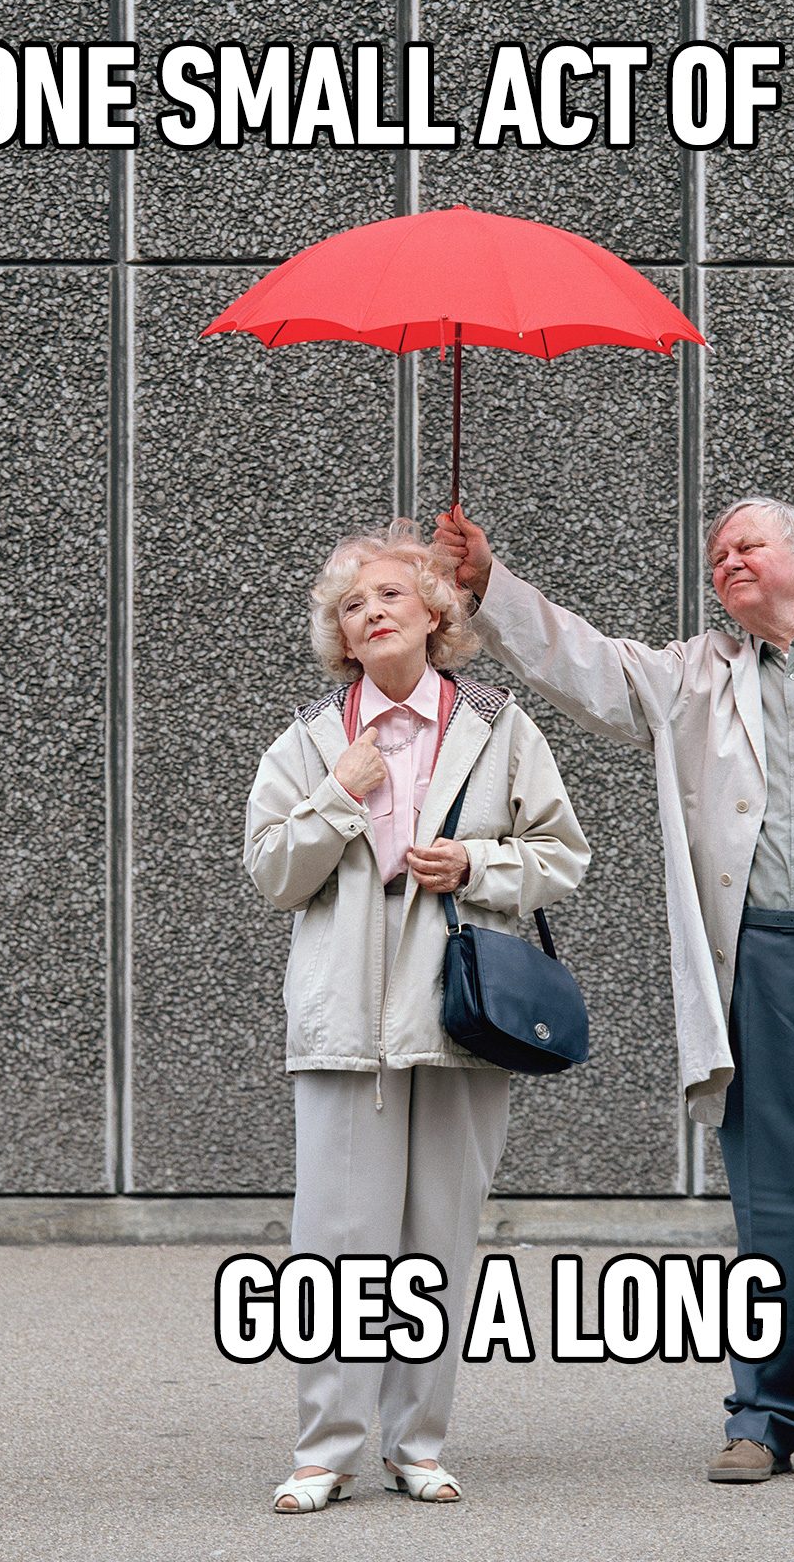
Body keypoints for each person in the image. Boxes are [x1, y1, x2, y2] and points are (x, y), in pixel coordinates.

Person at [434, 497, 794, 1485]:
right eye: (715, 556)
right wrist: (488, 584)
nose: (727, 562)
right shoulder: (696, 677)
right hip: (756, 970)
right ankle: (765, 1414)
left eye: (746, 545)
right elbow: (587, 665)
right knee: (771, 1209)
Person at [244, 518, 589, 1511]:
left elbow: (562, 854)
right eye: (351, 606)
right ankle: (326, 1449)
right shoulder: (311, 740)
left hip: (457, 1010)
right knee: (335, 1240)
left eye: (391, 594)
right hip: (343, 1015)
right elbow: (273, 873)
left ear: (434, 613)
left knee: (439, 1235)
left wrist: (478, 864)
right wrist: (337, 800)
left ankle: (416, 1440)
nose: (371, 612)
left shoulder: (497, 726)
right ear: (341, 638)